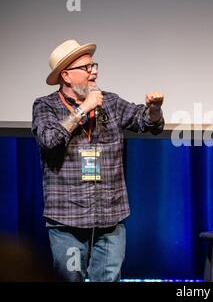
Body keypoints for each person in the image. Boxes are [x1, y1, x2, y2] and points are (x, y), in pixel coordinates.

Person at [32, 39, 165, 282]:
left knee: (108, 279)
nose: (95, 71)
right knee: (68, 278)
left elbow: (145, 122)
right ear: (66, 75)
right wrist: (83, 109)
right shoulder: (46, 106)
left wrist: (154, 109)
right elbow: (49, 140)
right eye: (87, 67)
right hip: (67, 222)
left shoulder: (110, 102)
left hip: (110, 219)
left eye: (94, 65)